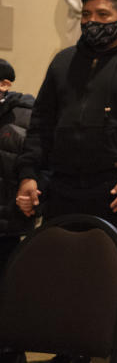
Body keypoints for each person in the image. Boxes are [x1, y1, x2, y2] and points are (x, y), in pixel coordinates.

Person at [15, 0, 117, 363]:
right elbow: (41, 123)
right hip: (65, 183)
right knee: (68, 268)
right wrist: (29, 173)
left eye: (102, 16)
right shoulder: (64, 61)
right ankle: (74, 343)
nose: (91, 23)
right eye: (86, 16)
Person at [0, 59, 33, 272]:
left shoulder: (25, 118)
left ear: (4, 84)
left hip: (7, 226)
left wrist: (35, 201)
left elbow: (42, 166)